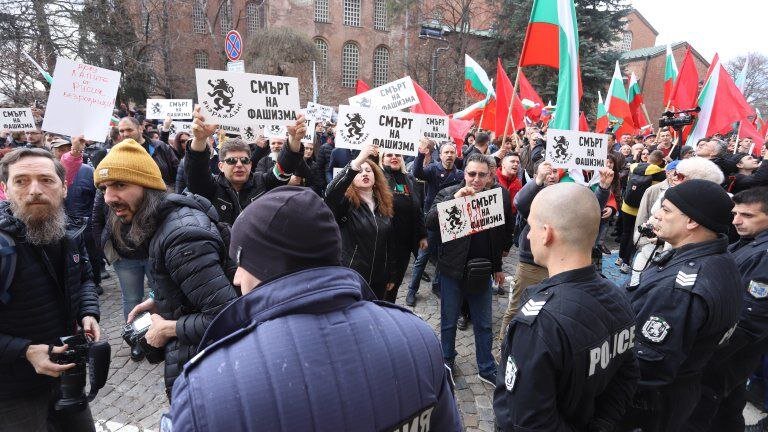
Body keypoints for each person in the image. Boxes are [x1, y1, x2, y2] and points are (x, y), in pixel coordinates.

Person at [162, 186, 462, 431]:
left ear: (269, 264)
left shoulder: (206, 387)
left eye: (242, 262)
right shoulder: (419, 336)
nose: (237, 277)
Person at [94, 139, 238, 399]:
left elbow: (229, 316)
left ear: (148, 185)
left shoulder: (182, 238)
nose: (109, 198)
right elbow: (193, 285)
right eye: (104, 188)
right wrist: (160, 300)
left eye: (120, 185)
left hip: (208, 373)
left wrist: (168, 328)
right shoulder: (162, 222)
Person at [494, 183, 639, 431]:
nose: (527, 235)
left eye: (531, 226)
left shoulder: (539, 323)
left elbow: (530, 422)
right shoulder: (619, 297)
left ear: (547, 234)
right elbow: (626, 378)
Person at [621, 179, 743, 432]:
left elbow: (648, 366)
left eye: (666, 210)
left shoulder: (680, 288)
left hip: (649, 406)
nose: (656, 214)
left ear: (692, 222)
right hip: (682, 391)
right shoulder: (719, 257)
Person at [0, 147, 101, 431]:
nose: (34, 190)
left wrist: (87, 312)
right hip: (12, 393)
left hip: (65, 377)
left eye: (46, 180)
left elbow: (84, 278)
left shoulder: (68, 231)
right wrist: (24, 351)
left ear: (64, 187)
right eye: (21, 181)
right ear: (5, 189)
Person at [426, 153, 515, 384]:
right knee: (449, 322)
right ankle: (447, 360)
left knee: (484, 323)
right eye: (472, 173)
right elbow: (430, 222)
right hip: (452, 271)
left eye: (482, 175)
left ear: (489, 176)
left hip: (482, 272)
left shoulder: (494, 198)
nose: (476, 179)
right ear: (464, 173)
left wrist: (498, 267)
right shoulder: (448, 193)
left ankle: (486, 367)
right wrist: (454, 200)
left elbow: (498, 236)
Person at [499, 162, 613, 341]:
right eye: (547, 172)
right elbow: (520, 202)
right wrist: (538, 180)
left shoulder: (564, 195)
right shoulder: (534, 194)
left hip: (561, 266)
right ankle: (505, 345)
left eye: (554, 171)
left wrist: (603, 188)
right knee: (518, 307)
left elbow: (587, 212)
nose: (551, 175)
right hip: (532, 264)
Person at [687, 187, 768, 431]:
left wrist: (705, 354)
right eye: (735, 214)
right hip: (730, 354)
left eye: (748, 215)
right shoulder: (750, 242)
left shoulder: (764, 255)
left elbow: (750, 320)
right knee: (728, 406)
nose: (736, 221)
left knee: (700, 413)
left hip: (728, 353)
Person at [184, 106, 305, 226]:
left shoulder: (263, 183)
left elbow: (284, 169)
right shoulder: (211, 187)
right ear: (221, 166)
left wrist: (294, 139)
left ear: (250, 164)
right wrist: (200, 139)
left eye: (244, 160)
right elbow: (196, 174)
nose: (239, 165)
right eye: (231, 160)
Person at [325, 144, 396, 299]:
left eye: (368, 171)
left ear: (376, 178)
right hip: (351, 277)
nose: (364, 173)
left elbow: (389, 243)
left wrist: (390, 273)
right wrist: (357, 163)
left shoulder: (384, 204)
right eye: (360, 171)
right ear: (351, 179)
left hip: (378, 279)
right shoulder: (345, 203)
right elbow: (330, 194)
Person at [379, 151, 427, 302]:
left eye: (398, 155)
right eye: (389, 155)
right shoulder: (378, 178)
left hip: (404, 244)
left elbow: (418, 208)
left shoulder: (409, 178)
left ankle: (389, 310)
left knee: (395, 285)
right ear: (382, 159)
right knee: (383, 285)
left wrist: (422, 234)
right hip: (384, 243)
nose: (394, 157)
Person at [618, 150, 666, 273]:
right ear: (660, 160)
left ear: (649, 157)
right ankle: (626, 262)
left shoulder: (634, 167)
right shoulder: (660, 173)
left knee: (625, 233)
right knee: (635, 235)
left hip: (626, 206)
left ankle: (620, 258)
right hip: (641, 209)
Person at [117, 116, 179, 188]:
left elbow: (177, 173)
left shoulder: (160, 147)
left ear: (140, 129)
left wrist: (171, 191)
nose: (125, 134)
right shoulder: (116, 153)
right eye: (121, 131)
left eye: (129, 130)